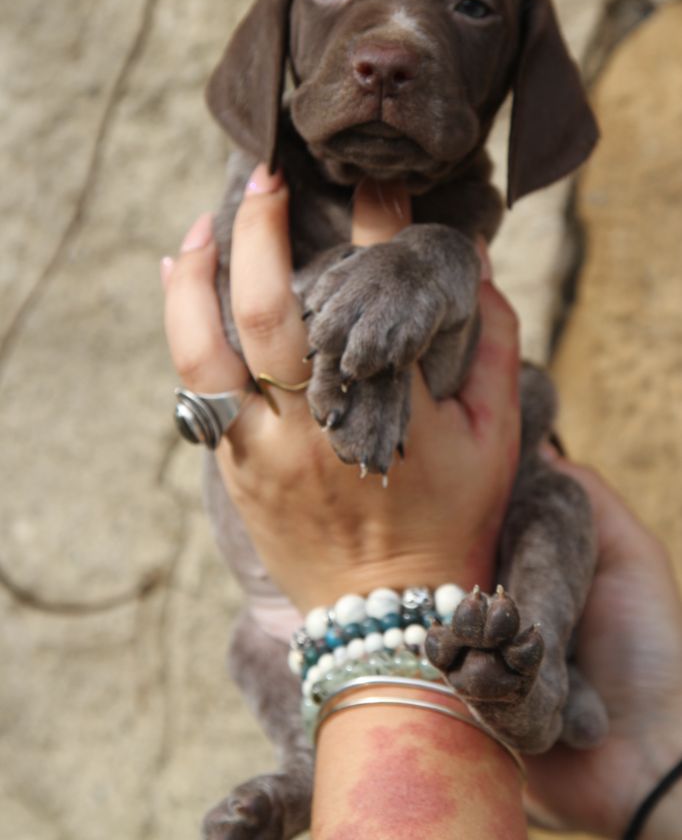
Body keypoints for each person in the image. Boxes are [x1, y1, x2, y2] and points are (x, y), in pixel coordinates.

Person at [162, 165, 682, 840]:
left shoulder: (451, 214)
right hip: (304, 629)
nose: (383, 59)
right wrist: (648, 772)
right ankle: (305, 769)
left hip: (499, 591)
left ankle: (538, 675)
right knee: (250, 648)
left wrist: (382, 583)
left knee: (557, 503)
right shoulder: (263, 168)